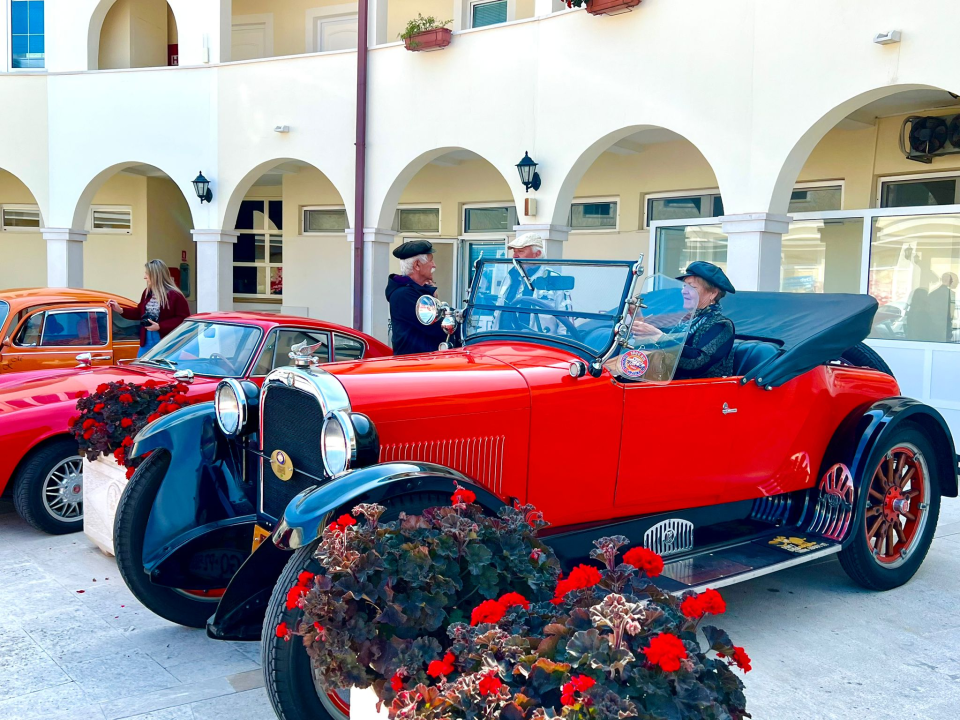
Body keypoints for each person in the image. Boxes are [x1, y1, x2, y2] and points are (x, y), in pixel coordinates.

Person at [632, 261, 736, 379]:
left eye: (691, 287)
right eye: (684, 286)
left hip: (699, 392)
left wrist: (660, 338)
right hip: (664, 384)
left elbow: (697, 362)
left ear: (713, 293)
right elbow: (660, 346)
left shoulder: (721, 325)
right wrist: (639, 321)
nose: (683, 291)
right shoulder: (685, 321)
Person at [107, 259, 190, 357]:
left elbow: (183, 319)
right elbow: (139, 313)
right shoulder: (147, 292)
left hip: (165, 341)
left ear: (155, 275)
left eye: (147, 273)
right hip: (146, 339)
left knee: (160, 370)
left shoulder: (175, 295)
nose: (144, 277)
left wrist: (160, 326)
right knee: (141, 367)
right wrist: (120, 310)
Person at [385, 240, 450, 355]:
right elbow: (438, 328)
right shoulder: (404, 295)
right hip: (414, 366)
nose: (434, 265)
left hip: (423, 364)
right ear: (417, 265)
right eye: (431, 260)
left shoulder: (414, 292)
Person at [495, 233, 569, 332]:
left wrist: (561, 345)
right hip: (505, 340)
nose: (515, 256)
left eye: (520, 251)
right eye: (514, 251)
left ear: (537, 254)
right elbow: (497, 312)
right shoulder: (510, 277)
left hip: (539, 343)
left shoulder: (554, 279)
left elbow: (566, 321)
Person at [928, 271, 958, 342]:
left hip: (933, 327)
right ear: (949, 281)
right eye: (955, 281)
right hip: (944, 327)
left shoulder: (932, 293)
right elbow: (951, 314)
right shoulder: (950, 294)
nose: (957, 283)